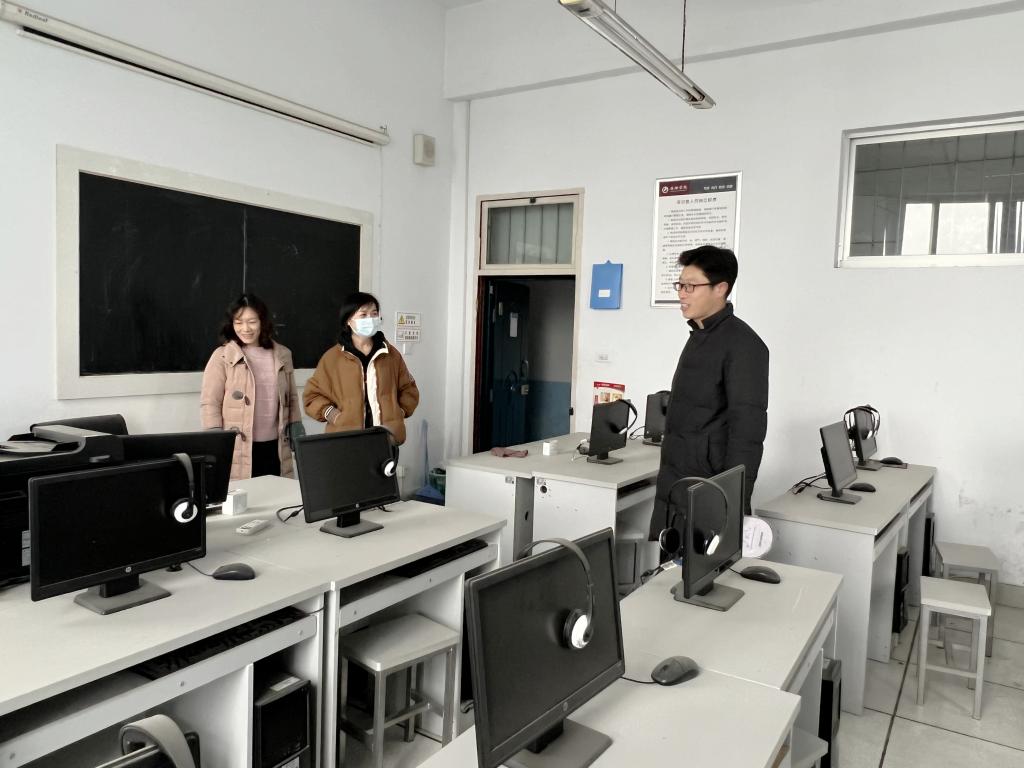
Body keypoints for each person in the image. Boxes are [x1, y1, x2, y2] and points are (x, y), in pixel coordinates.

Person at [649, 245, 769, 542]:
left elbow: (747, 434)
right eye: (680, 285)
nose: (682, 293)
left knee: (702, 568)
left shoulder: (743, 345)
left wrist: (731, 503)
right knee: (670, 566)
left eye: (690, 286)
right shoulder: (700, 336)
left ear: (720, 288)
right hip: (678, 484)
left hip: (708, 491)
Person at [200, 294, 302, 480]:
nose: (245, 329)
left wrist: (296, 425)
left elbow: (292, 398)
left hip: (276, 447)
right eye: (238, 322)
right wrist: (214, 439)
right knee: (243, 496)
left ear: (262, 322)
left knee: (278, 494)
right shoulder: (222, 356)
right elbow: (210, 402)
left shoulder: (283, 354)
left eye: (252, 322)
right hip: (238, 449)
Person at [304, 292, 419, 444]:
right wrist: (333, 415)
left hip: (386, 439)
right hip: (346, 441)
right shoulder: (332, 358)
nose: (370, 319)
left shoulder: (391, 355)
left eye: (374, 314)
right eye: (363, 315)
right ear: (348, 320)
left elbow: (409, 390)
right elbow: (312, 396)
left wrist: (398, 412)